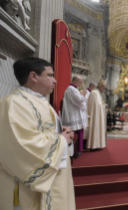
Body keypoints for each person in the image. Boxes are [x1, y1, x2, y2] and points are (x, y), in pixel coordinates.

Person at [0, 57, 76, 210]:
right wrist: (61, 140)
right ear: (33, 76)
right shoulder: (13, 103)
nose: (55, 81)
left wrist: (64, 134)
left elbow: (50, 133)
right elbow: (21, 146)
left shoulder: (41, 101)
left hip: (55, 177)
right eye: (50, 75)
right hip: (27, 188)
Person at [62, 75, 88, 158]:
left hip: (75, 114)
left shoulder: (73, 89)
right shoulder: (71, 89)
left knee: (79, 132)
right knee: (76, 133)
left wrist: (81, 95)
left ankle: (77, 150)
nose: (81, 84)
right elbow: (80, 100)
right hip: (74, 115)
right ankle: (75, 151)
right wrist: (83, 94)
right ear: (75, 81)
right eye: (80, 82)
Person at [86, 79, 107, 149]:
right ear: (100, 87)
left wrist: (104, 106)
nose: (104, 89)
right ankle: (94, 144)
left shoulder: (98, 93)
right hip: (95, 116)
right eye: (103, 88)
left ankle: (98, 144)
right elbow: (92, 106)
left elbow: (100, 104)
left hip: (98, 115)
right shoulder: (94, 93)